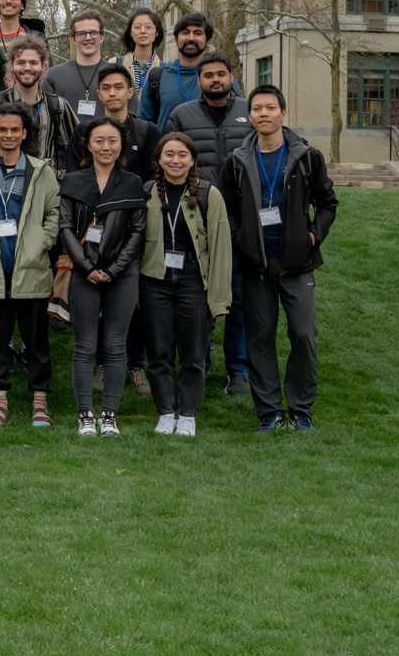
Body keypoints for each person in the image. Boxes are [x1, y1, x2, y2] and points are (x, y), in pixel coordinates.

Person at [219, 85, 336, 433]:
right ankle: (269, 411)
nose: (264, 114)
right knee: (259, 337)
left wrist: (313, 236)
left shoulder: (306, 156)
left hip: (297, 265)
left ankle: (301, 409)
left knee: (303, 335)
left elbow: (328, 203)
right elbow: (228, 209)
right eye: (257, 109)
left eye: (271, 108)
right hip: (256, 264)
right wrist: (242, 241)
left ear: (283, 113)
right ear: (250, 115)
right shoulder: (237, 160)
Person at [0, 103, 61, 428]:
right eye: (1, 130)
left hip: (31, 271)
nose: (8, 135)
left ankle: (40, 402)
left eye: (14, 130)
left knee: (36, 341)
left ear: (25, 133)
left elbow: (53, 216)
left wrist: (41, 244)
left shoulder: (41, 170)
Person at [161, 51, 250, 392]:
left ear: (231, 78)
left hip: (240, 220)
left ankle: (238, 370)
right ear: (198, 80)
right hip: (194, 219)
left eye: (221, 74)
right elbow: (167, 159)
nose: (215, 79)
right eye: (208, 75)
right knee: (197, 297)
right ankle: (198, 363)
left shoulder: (248, 113)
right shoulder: (182, 115)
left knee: (238, 298)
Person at [60, 117, 147, 437]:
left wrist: (113, 269)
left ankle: (109, 415)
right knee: (83, 347)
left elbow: (138, 231)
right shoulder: (73, 181)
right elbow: (65, 228)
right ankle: (86, 414)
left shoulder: (132, 182)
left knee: (114, 346)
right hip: (84, 274)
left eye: (112, 140)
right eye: (99, 140)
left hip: (121, 276)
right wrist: (86, 267)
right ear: (88, 144)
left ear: (121, 144)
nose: (105, 146)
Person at [141, 133, 232, 436]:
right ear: (159, 158)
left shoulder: (209, 194)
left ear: (192, 159)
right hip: (156, 282)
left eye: (182, 154)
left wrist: (218, 297)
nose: (175, 160)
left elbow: (221, 248)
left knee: (194, 353)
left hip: (195, 281)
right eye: (169, 154)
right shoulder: (147, 192)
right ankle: (166, 411)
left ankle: (189, 413)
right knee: (158, 352)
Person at [0, 35, 77, 170]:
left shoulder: (58, 106)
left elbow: (78, 148)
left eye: (33, 63)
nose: (27, 68)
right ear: (11, 66)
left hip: (45, 186)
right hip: (2, 186)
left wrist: (64, 180)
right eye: (21, 63)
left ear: (43, 66)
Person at [139, 12, 213, 132]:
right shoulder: (157, 78)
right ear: (176, 39)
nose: (191, 38)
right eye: (185, 32)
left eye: (198, 33)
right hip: (165, 150)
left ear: (208, 40)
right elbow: (143, 128)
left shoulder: (219, 78)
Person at [44, 8, 111, 121]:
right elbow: (45, 118)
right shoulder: (53, 75)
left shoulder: (118, 74)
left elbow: (129, 117)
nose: (88, 37)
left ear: (102, 37)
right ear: (72, 38)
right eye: (81, 33)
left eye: (93, 32)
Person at [97, 63, 160, 182]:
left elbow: (153, 179)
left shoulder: (147, 132)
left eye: (118, 87)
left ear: (130, 92)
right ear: (99, 94)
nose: (112, 93)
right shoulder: (85, 131)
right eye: (106, 88)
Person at [113, 8, 165, 103]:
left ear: (157, 32)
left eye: (148, 27)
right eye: (137, 27)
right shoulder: (115, 64)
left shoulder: (165, 70)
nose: (143, 31)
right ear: (131, 32)